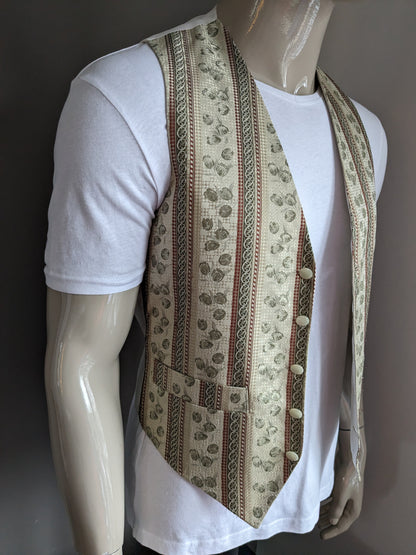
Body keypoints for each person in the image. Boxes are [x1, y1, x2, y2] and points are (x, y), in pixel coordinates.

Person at [44, 1, 388, 554]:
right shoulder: (133, 95)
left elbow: (335, 314)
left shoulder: (365, 135)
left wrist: (354, 442)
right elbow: (80, 354)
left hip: (310, 483)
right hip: (187, 500)